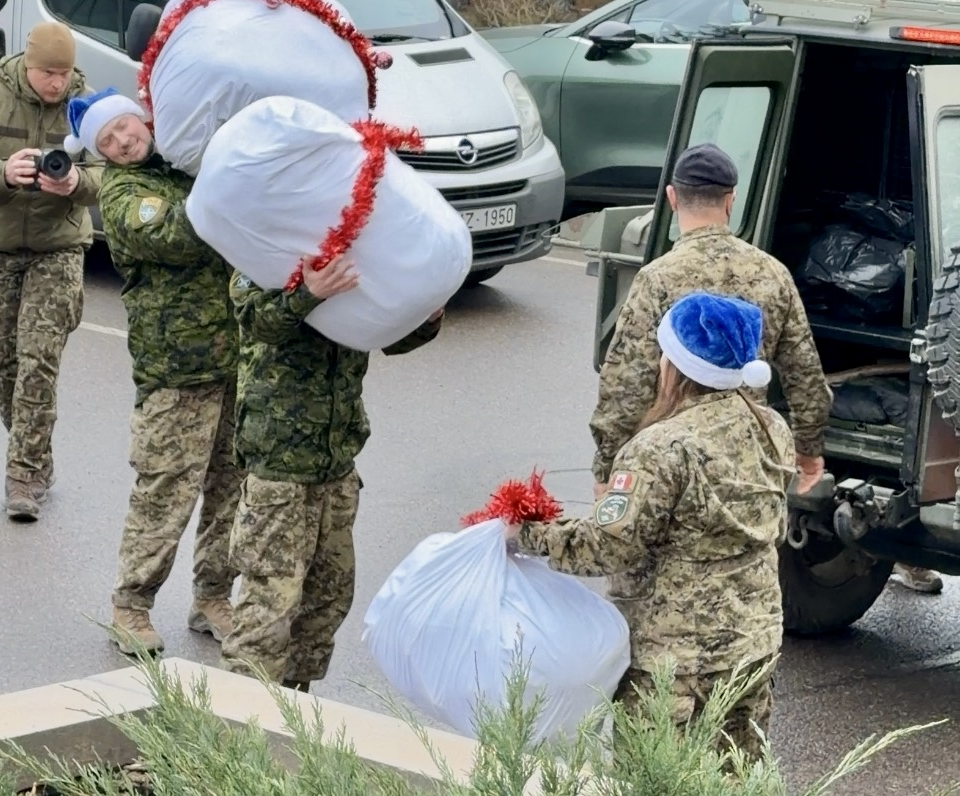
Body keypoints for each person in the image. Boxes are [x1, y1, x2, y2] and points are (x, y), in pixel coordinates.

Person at [590, 142, 944, 595]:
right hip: (745, 459)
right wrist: (810, 451)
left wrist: (607, 470)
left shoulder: (657, 278)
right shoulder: (772, 274)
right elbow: (806, 379)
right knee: (741, 579)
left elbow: (623, 387)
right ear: (731, 199)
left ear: (673, 199)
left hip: (666, 460)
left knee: (657, 589)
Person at [509, 291, 795, 759]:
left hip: (677, 661)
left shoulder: (661, 448)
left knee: (655, 776)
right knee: (736, 777)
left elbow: (610, 545)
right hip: (753, 644)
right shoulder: (770, 427)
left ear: (677, 366)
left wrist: (529, 533)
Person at [65, 88, 244, 654]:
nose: (122, 142)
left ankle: (213, 596)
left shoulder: (185, 163)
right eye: (107, 141)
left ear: (142, 120)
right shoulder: (123, 195)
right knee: (166, 491)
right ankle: (131, 605)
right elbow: (183, 235)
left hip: (238, 357)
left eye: (124, 128)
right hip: (177, 369)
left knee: (231, 487)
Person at [222, 259, 445, 692]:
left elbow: (385, 334)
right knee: (269, 606)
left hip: (337, 460)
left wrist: (427, 316)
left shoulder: (357, 255)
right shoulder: (268, 254)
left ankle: (291, 707)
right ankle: (237, 727)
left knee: (327, 599)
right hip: (280, 462)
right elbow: (256, 319)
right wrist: (308, 291)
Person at [0, 22, 101, 521]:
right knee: (4, 365)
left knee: (38, 360)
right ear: (27, 66)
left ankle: (24, 476)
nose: (56, 83)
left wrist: (76, 180)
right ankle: (37, 456)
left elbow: (113, 170)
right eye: (47, 73)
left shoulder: (88, 107)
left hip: (58, 249)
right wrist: (1, 172)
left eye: (63, 73)